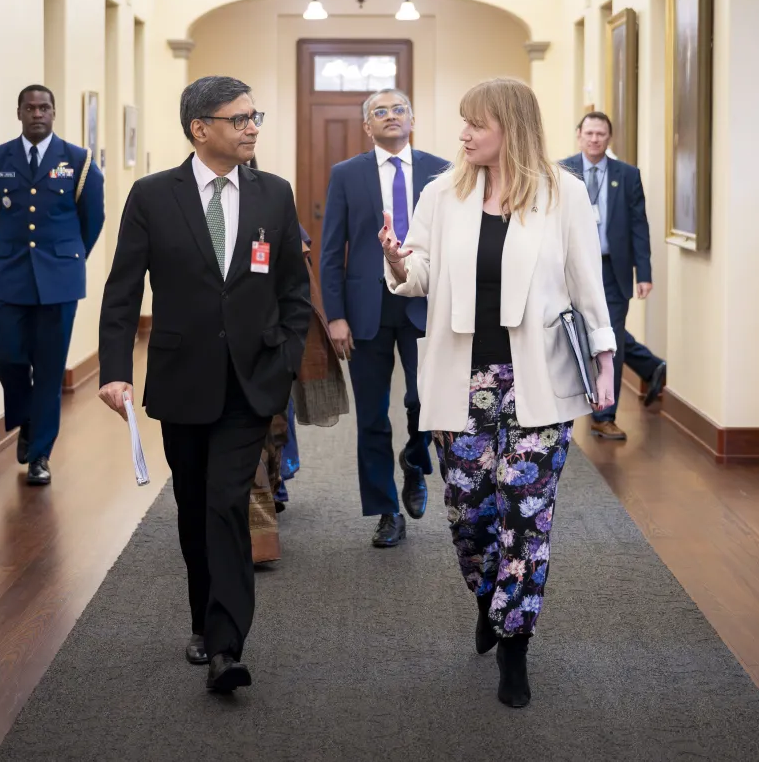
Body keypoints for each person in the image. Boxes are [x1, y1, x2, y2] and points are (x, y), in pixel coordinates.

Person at [380, 78, 616, 708]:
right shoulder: (444, 193)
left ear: (510, 127)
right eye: (462, 123)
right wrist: (400, 265)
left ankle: (516, 643)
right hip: (462, 382)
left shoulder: (562, 194)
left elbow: (587, 283)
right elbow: (420, 271)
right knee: (469, 515)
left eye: (474, 124)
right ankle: (488, 597)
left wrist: (606, 356)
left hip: (538, 382)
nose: (461, 135)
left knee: (526, 516)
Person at [96, 76, 311, 694]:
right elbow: (122, 291)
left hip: (252, 383)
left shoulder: (274, 194)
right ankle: (200, 618)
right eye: (240, 118)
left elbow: (293, 289)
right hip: (181, 380)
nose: (252, 128)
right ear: (200, 129)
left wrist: (288, 356)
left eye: (255, 116)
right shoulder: (151, 196)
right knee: (194, 508)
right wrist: (114, 370)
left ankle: (225, 646)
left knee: (225, 503)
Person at [319, 89, 448, 548]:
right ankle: (386, 510)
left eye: (399, 109)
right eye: (380, 112)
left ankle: (415, 460)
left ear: (412, 119)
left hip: (425, 305)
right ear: (367, 126)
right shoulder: (347, 174)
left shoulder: (443, 171)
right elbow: (332, 250)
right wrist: (335, 316)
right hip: (366, 310)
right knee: (372, 416)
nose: (390, 116)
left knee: (423, 401)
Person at [0, 84, 104, 485]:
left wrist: (68, 257)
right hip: (11, 275)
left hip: (60, 281)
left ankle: (40, 455)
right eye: (30, 107)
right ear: (19, 112)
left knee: (49, 368)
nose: (37, 113)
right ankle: (27, 417)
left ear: (54, 113)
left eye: (44, 107)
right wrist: (14, 250)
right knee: (5, 351)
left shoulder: (78, 162)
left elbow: (93, 218)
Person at [560, 112, 652, 441]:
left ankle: (604, 414)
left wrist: (644, 272)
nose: (595, 139)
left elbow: (639, 226)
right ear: (579, 135)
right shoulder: (561, 171)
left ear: (609, 138)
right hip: (570, 267)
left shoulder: (627, 175)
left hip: (612, 268)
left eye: (601, 134)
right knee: (570, 334)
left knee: (611, 339)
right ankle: (569, 401)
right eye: (589, 133)